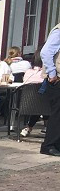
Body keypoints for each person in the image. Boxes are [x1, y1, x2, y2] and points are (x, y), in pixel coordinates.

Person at [37, 23, 60, 156]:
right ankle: (49, 145)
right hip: (57, 78)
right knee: (57, 114)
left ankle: (56, 144)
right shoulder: (58, 31)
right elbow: (45, 52)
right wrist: (52, 74)